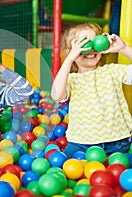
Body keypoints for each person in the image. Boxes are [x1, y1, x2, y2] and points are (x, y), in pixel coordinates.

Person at [51, 22, 132, 158]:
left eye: (94, 42)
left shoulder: (112, 71)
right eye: (82, 45)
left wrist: (124, 48)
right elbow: (56, 95)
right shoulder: (71, 79)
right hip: (80, 144)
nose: (90, 49)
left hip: (116, 142)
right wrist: (69, 58)